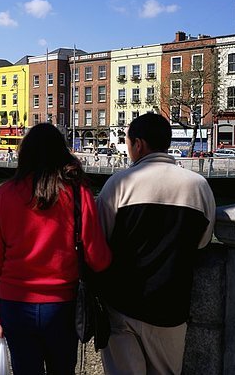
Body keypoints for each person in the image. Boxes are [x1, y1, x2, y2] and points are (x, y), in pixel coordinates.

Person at [0, 123, 111, 374]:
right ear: (61, 152)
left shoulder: (3, 194)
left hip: (15, 304)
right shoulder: (78, 192)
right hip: (62, 306)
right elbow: (97, 258)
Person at [96, 113, 216, 375]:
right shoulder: (199, 186)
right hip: (170, 308)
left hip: (122, 303)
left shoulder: (119, 184)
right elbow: (202, 242)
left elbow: (100, 240)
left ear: (138, 144)